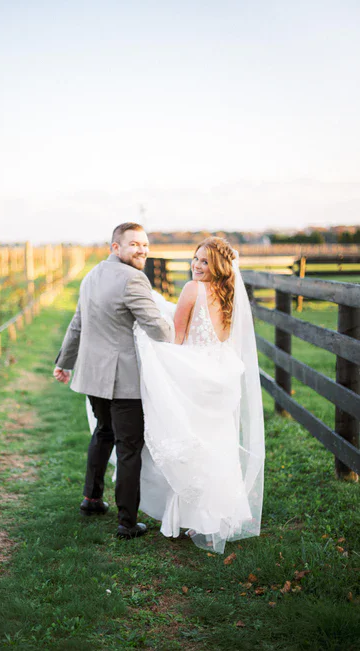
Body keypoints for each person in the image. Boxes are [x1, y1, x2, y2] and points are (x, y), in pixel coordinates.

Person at [133, 236, 265, 553]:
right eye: (195, 258)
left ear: (217, 266)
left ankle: (190, 514)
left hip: (195, 375)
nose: (196, 265)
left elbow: (176, 338)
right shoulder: (230, 294)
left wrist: (147, 341)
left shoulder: (193, 289)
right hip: (222, 376)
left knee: (190, 441)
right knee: (218, 443)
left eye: (204, 261)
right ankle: (218, 515)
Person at [53, 222, 173, 539]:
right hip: (123, 379)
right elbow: (158, 329)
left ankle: (92, 499)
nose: (142, 250)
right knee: (129, 447)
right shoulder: (134, 279)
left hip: (93, 375)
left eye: (145, 244)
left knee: (104, 432)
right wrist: (178, 328)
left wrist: (65, 361)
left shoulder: (92, 275)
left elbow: (77, 323)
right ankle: (127, 522)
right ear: (115, 247)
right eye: (134, 244)